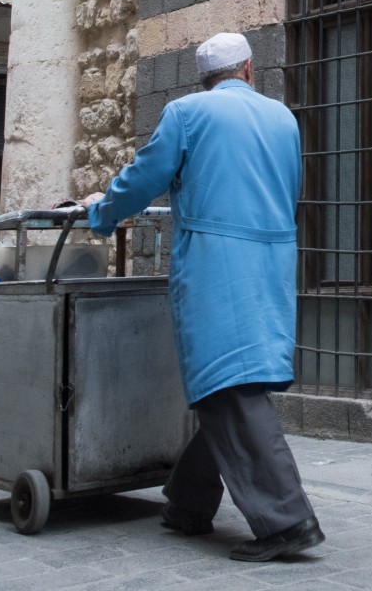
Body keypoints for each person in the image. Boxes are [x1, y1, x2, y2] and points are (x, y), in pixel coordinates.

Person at [82, 32, 320, 563]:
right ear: (250, 70)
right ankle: (188, 504)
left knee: (228, 384)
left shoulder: (187, 112)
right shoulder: (284, 119)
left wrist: (100, 211)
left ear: (204, 78)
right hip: (274, 258)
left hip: (218, 261)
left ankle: (287, 520)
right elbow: (290, 187)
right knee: (236, 379)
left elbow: (144, 179)